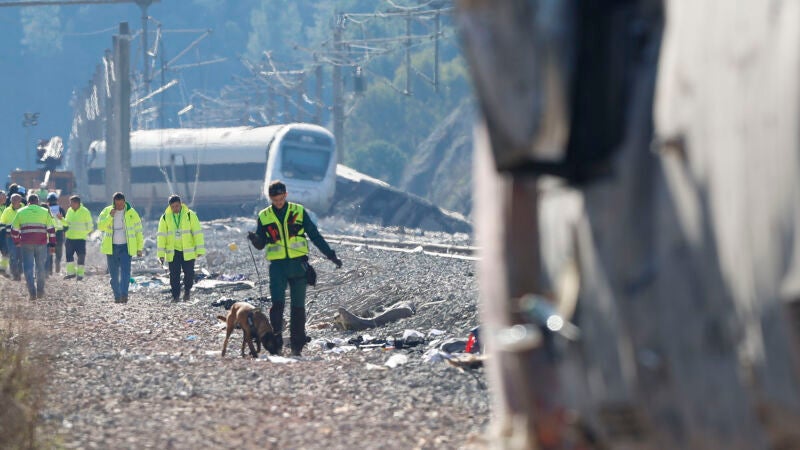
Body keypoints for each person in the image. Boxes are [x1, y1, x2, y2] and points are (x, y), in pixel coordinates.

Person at [247, 180, 343, 356]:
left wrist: (331, 255)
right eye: (275, 200)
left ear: (286, 195)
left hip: (298, 266)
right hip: (278, 267)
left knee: (298, 308)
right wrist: (255, 239)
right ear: (270, 198)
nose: (278, 202)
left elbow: (314, 235)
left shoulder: (298, 211)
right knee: (277, 305)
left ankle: (297, 346)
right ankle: (276, 344)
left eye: (281, 198)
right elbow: (261, 244)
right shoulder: (264, 216)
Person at [156, 194, 205, 302]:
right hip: (173, 252)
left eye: (177, 206)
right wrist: (161, 255)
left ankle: (187, 291)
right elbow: (161, 237)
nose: (175, 208)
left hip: (188, 251)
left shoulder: (190, 215)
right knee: (174, 276)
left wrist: (200, 250)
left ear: (181, 204)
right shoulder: (165, 217)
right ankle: (175, 296)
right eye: (173, 207)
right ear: (170, 206)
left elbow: (197, 233)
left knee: (189, 274)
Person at [97, 192, 144, 303]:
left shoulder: (132, 213)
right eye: (117, 204)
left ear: (124, 202)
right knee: (114, 276)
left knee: (125, 273)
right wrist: (110, 216)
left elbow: (138, 231)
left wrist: (139, 248)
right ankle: (117, 296)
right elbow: (100, 227)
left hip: (126, 248)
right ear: (113, 203)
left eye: (121, 204)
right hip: (111, 248)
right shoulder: (107, 211)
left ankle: (124, 295)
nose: (119, 206)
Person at [10, 194, 55, 299]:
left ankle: (32, 292)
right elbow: (51, 230)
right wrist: (52, 244)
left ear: (28, 202)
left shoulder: (20, 212)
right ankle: (40, 291)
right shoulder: (45, 211)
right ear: (38, 202)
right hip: (41, 243)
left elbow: (14, 230)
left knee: (28, 267)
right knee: (40, 267)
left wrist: (17, 242)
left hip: (26, 244)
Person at [63, 195, 94, 280]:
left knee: (81, 256)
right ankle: (71, 273)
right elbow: (66, 223)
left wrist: (85, 233)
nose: (70, 205)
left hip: (80, 239)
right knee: (69, 256)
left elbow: (90, 224)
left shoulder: (85, 211)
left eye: (71, 203)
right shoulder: (69, 210)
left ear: (77, 203)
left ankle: (80, 274)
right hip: (69, 238)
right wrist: (61, 219)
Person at [1, 193, 25, 280]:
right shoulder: (7, 210)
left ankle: (20, 271)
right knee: (12, 256)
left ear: (20, 200)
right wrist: (5, 232)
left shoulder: (25, 209)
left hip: (22, 237)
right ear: (10, 200)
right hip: (10, 237)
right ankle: (15, 274)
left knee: (21, 256)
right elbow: (2, 223)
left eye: (16, 200)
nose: (14, 201)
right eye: (13, 200)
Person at [44, 192, 66, 275]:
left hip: (49, 233)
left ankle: (49, 270)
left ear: (48, 200)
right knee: (58, 251)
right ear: (56, 200)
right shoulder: (60, 209)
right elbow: (65, 221)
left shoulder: (46, 209)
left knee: (49, 252)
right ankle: (57, 262)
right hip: (59, 233)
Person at [0, 190, 6, 276]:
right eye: (3, 196)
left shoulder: (6, 208)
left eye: (5, 196)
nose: (5, 198)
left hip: (3, 233)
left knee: (5, 251)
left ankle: (3, 268)